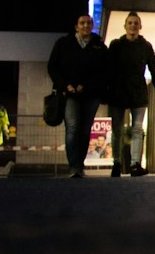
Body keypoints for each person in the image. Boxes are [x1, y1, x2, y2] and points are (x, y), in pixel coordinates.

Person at [47, 13, 110, 177]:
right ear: (76, 26)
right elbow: (53, 67)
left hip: (91, 94)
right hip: (70, 94)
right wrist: (65, 85)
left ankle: (80, 164)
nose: (86, 26)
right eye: (82, 23)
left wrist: (87, 86)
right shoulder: (63, 44)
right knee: (72, 128)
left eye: (89, 23)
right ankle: (73, 165)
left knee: (85, 130)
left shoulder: (99, 46)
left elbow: (104, 72)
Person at [108, 12, 155, 177]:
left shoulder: (146, 46)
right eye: (130, 23)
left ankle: (135, 164)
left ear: (140, 26)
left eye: (136, 23)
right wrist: (106, 92)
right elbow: (108, 70)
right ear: (125, 26)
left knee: (137, 129)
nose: (133, 26)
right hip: (118, 91)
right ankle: (116, 163)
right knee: (117, 130)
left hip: (137, 91)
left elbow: (154, 72)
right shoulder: (116, 45)